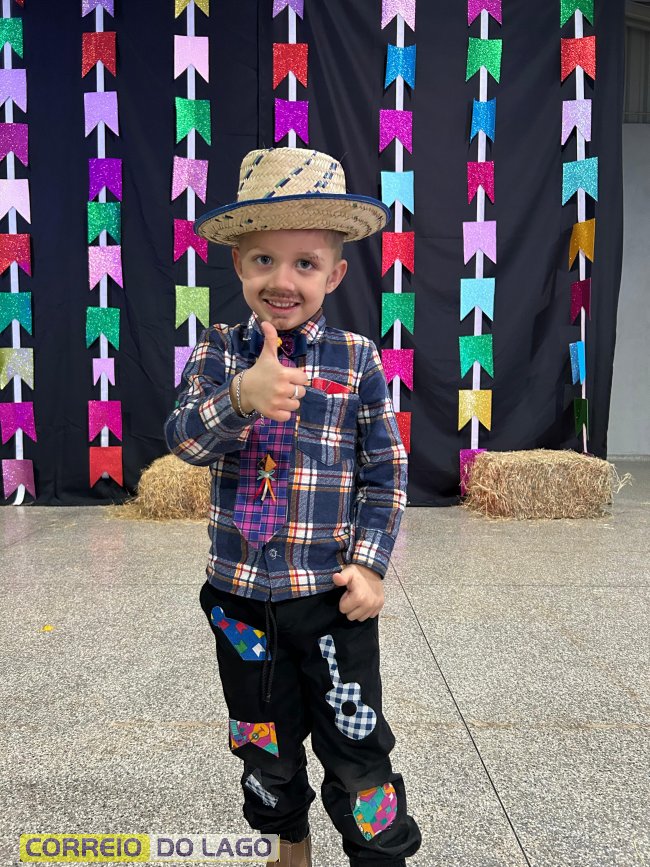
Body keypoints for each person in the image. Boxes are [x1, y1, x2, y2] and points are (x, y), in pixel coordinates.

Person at [164, 147, 421, 867]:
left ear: (335, 274)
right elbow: (182, 442)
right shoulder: (218, 354)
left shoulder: (357, 358)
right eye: (264, 261)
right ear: (239, 265)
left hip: (329, 601)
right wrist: (240, 398)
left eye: (305, 263)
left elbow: (386, 471)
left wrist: (369, 566)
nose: (283, 280)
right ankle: (288, 842)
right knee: (260, 740)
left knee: (358, 745)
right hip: (238, 602)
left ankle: (379, 851)